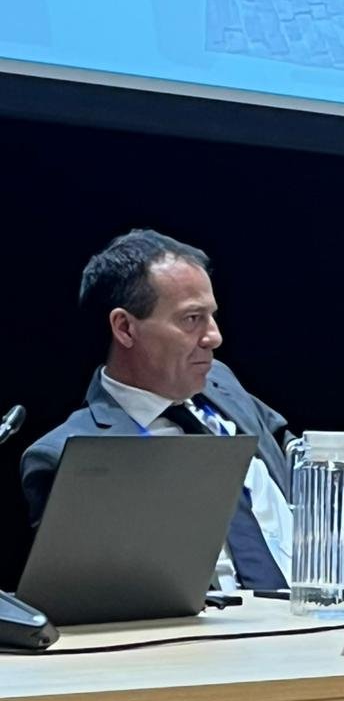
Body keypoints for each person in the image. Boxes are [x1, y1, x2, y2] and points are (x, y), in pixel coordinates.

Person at [21, 229, 294, 590]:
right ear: (125, 328)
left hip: (320, 606)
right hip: (208, 622)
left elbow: (297, 456)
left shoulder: (222, 384)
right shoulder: (70, 455)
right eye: (192, 318)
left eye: (211, 316)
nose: (214, 337)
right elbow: (91, 597)